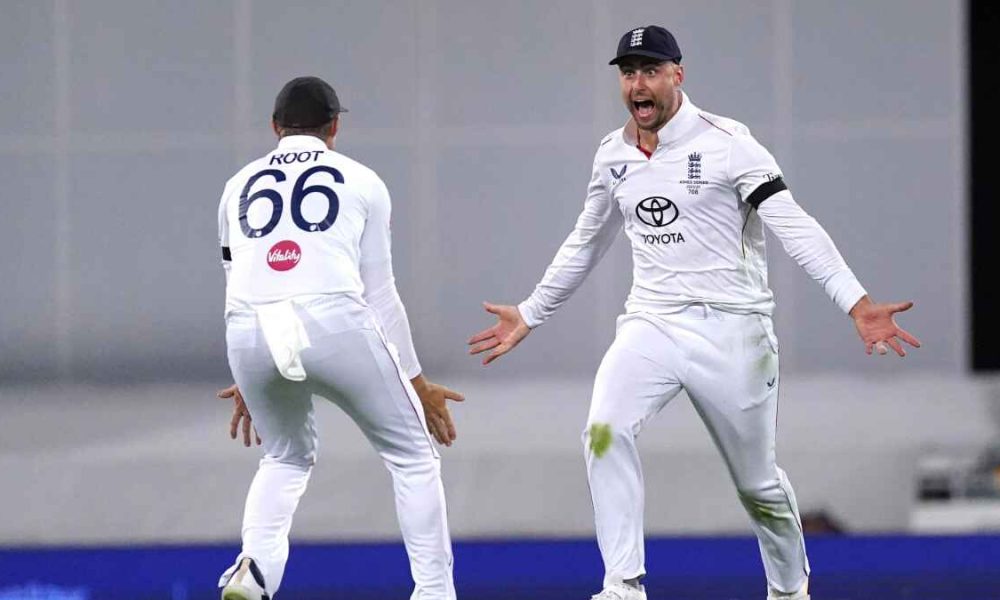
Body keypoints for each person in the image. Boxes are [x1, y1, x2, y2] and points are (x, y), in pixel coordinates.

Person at [468, 25, 920, 600]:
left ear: (677, 75)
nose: (638, 84)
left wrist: (855, 303)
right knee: (604, 431)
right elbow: (587, 241)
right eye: (629, 72)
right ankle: (623, 585)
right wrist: (532, 311)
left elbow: (793, 225)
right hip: (651, 323)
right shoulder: (613, 154)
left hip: (733, 329)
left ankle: (789, 591)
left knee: (757, 484)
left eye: (651, 71)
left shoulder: (730, 144)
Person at [215, 76, 462, 600]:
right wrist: (416, 380)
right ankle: (435, 592)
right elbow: (381, 294)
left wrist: (249, 372)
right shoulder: (362, 180)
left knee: (284, 457)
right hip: (333, 320)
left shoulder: (237, 184)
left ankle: (253, 572)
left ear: (275, 127)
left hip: (249, 329)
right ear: (335, 127)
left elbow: (239, 281)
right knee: (413, 456)